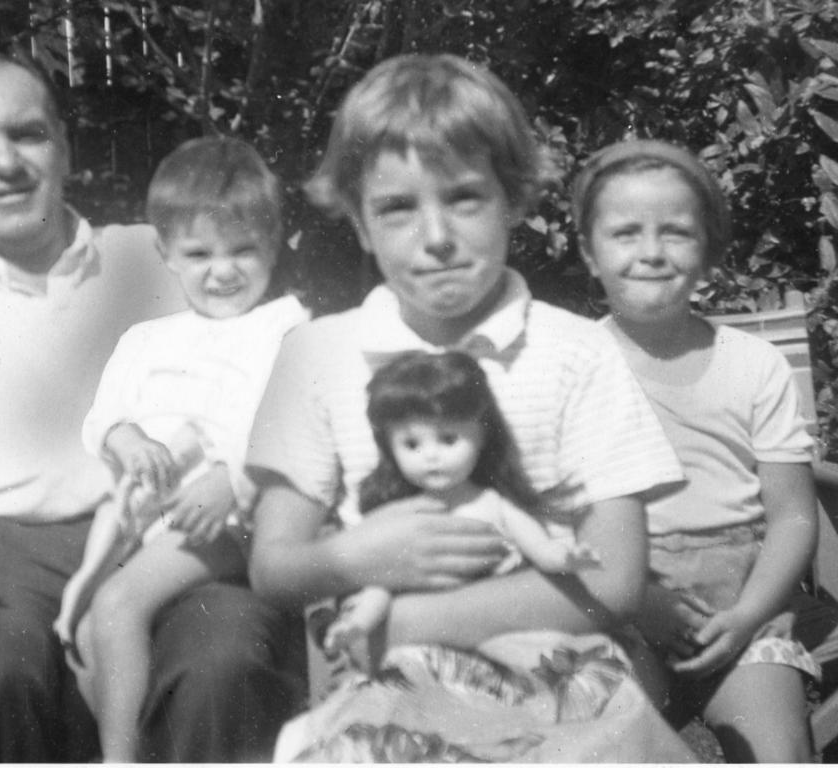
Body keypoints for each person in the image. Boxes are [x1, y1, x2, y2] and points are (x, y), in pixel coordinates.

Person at [0, 52, 304, 763]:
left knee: (223, 665)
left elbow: (306, 374)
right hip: (2, 557)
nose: (5, 161)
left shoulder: (175, 257)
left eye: (28, 134)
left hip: (181, 534)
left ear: (64, 146)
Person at [245, 52, 695, 762]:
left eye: (463, 198)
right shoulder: (316, 354)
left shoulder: (574, 351)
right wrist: (348, 555)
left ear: (513, 198)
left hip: (557, 676)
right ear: (359, 224)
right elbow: (274, 565)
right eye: (397, 207)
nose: (436, 237)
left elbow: (616, 577)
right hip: (389, 688)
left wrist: (412, 619)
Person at [53, 136, 309, 762]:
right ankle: (140, 740)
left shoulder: (282, 328)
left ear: (274, 245)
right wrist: (128, 438)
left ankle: (120, 760)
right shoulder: (148, 340)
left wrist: (232, 478)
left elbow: (289, 424)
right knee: (87, 629)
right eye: (199, 254)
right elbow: (105, 416)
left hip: (235, 521)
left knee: (117, 604)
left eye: (243, 250)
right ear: (166, 254)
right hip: (149, 518)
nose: (222, 271)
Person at [573, 138, 823, 762]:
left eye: (676, 233)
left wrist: (749, 615)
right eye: (625, 233)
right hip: (618, 599)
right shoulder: (572, 363)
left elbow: (793, 514)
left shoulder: (754, 365)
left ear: (708, 253)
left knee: (779, 754)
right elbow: (553, 508)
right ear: (589, 252)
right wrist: (638, 599)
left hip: (740, 602)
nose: (651, 252)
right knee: (588, 741)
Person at [323, 350, 598, 668]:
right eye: (412, 444)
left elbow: (541, 549)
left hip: (503, 627)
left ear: (481, 437)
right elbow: (381, 586)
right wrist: (356, 624)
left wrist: (566, 557)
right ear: (390, 448)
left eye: (448, 439)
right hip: (427, 635)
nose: (431, 456)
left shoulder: (493, 504)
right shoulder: (405, 516)